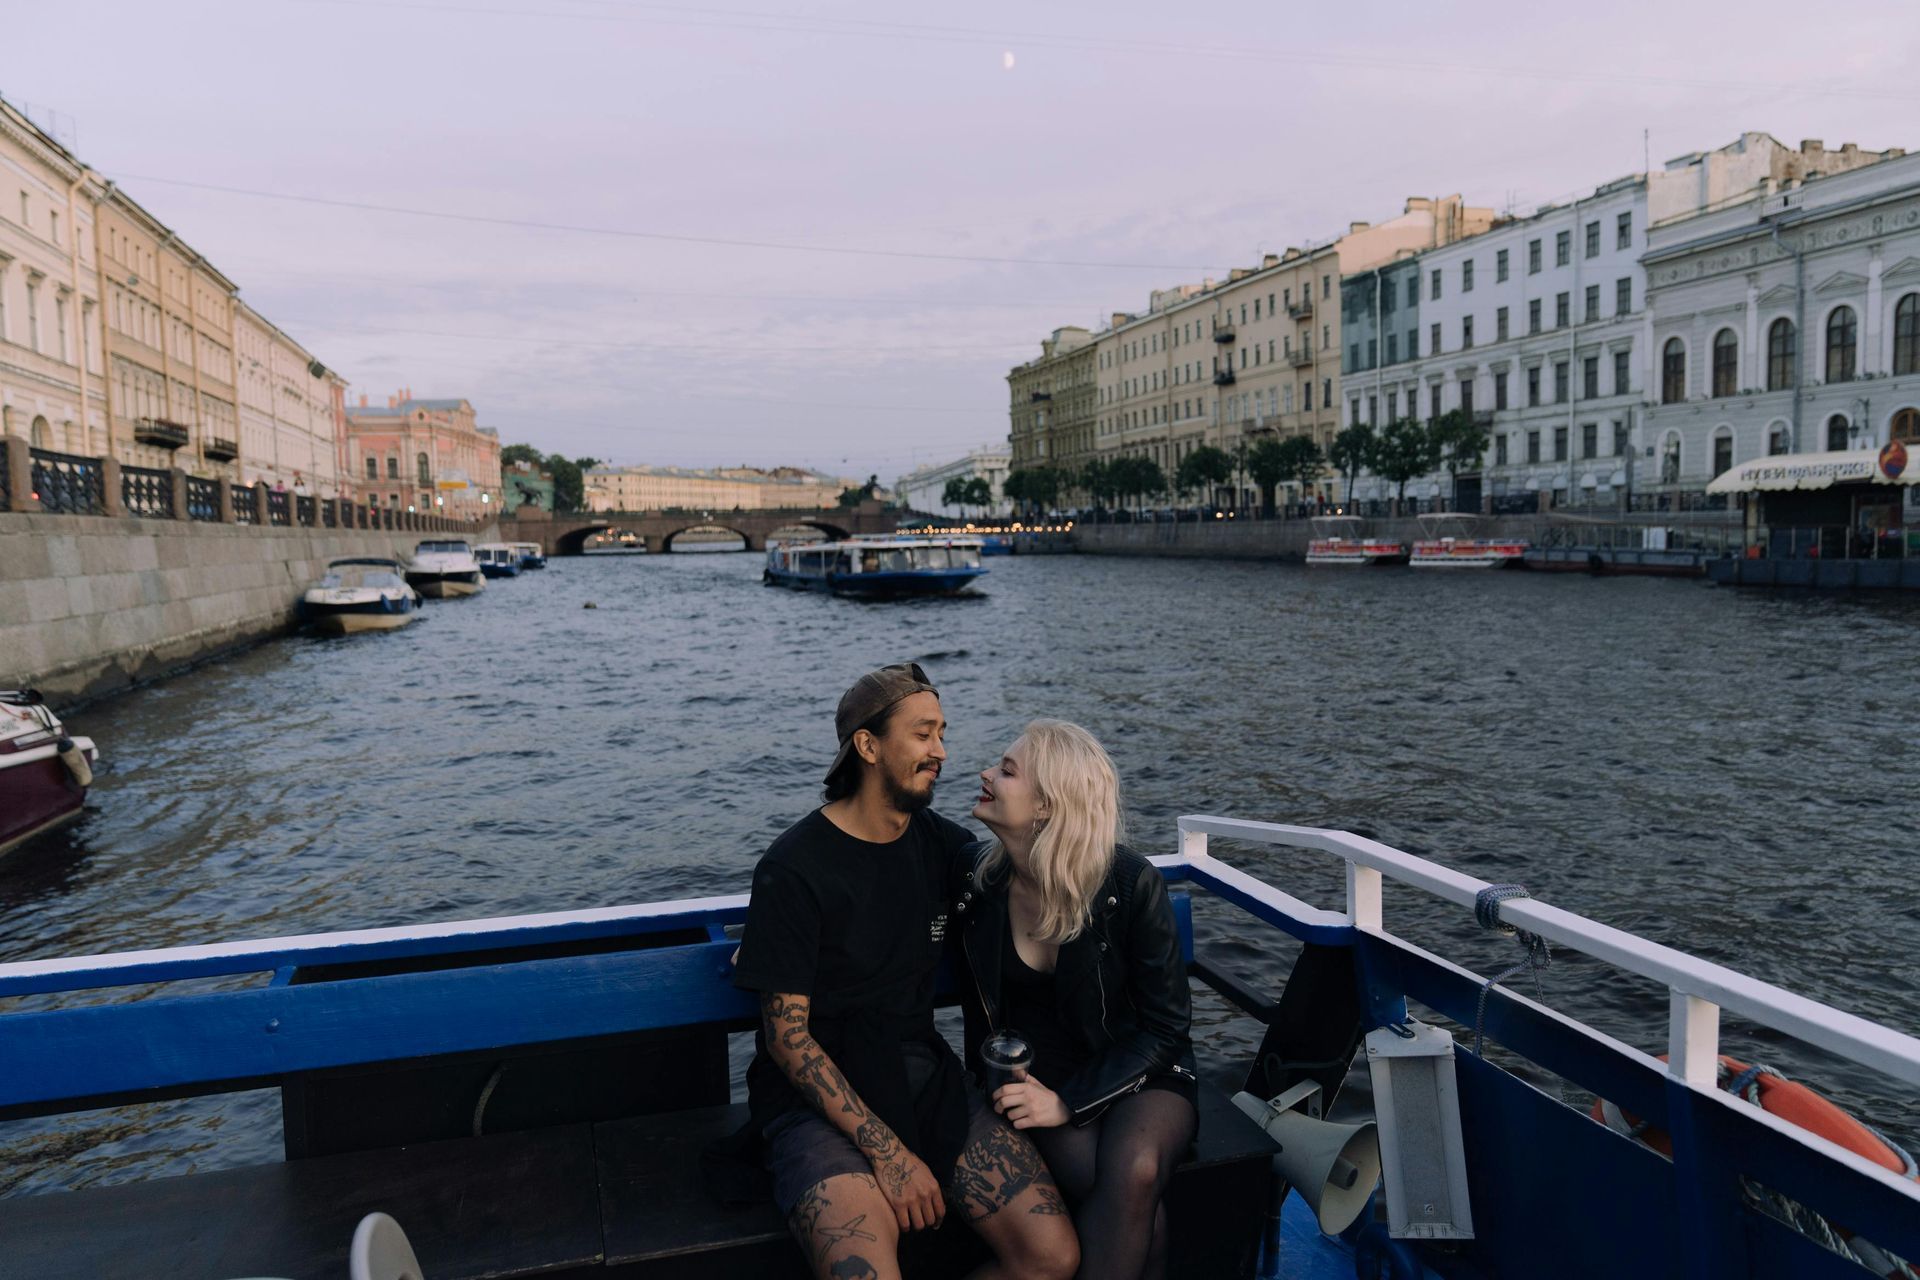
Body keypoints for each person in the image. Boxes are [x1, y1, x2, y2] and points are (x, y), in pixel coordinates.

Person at [731, 663, 1078, 1280]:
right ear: (868, 746)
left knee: (1051, 1257)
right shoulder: (793, 868)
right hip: (815, 1102)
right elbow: (788, 1040)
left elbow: (1032, 874)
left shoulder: (941, 848)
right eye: (922, 735)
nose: (941, 751)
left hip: (920, 1074)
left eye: (942, 733)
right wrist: (888, 1153)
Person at [954, 720, 1197, 1280]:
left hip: (1143, 1072)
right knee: (1134, 1205)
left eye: (1007, 770)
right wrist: (792, 944)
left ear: (1047, 806)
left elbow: (1165, 1028)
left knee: (1136, 1170)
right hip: (1036, 1079)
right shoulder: (976, 878)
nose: (986, 773)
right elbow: (887, 869)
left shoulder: (1129, 884)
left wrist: (1070, 1101)